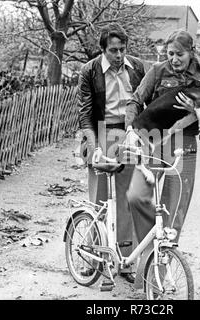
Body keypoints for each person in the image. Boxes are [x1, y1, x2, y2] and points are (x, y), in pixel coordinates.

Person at [125, 30, 200, 288]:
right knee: (136, 196)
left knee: (174, 213)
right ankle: (144, 255)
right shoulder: (157, 71)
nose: (174, 59)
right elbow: (135, 101)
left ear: (192, 53)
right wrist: (131, 129)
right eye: (170, 54)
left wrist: (197, 111)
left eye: (180, 54)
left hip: (185, 147)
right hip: (154, 142)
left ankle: (154, 279)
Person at [77, 23, 145, 283]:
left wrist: (140, 135)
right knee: (99, 200)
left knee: (127, 198)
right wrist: (93, 148)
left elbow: (144, 102)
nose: (118, 55)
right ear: (103, 49)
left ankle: (125, 261)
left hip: (129, 134)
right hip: (101, 131)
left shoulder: (137, 67)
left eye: (122, 50)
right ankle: (93, 259)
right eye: (113, 50)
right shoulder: (90, 70)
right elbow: (85, 114)